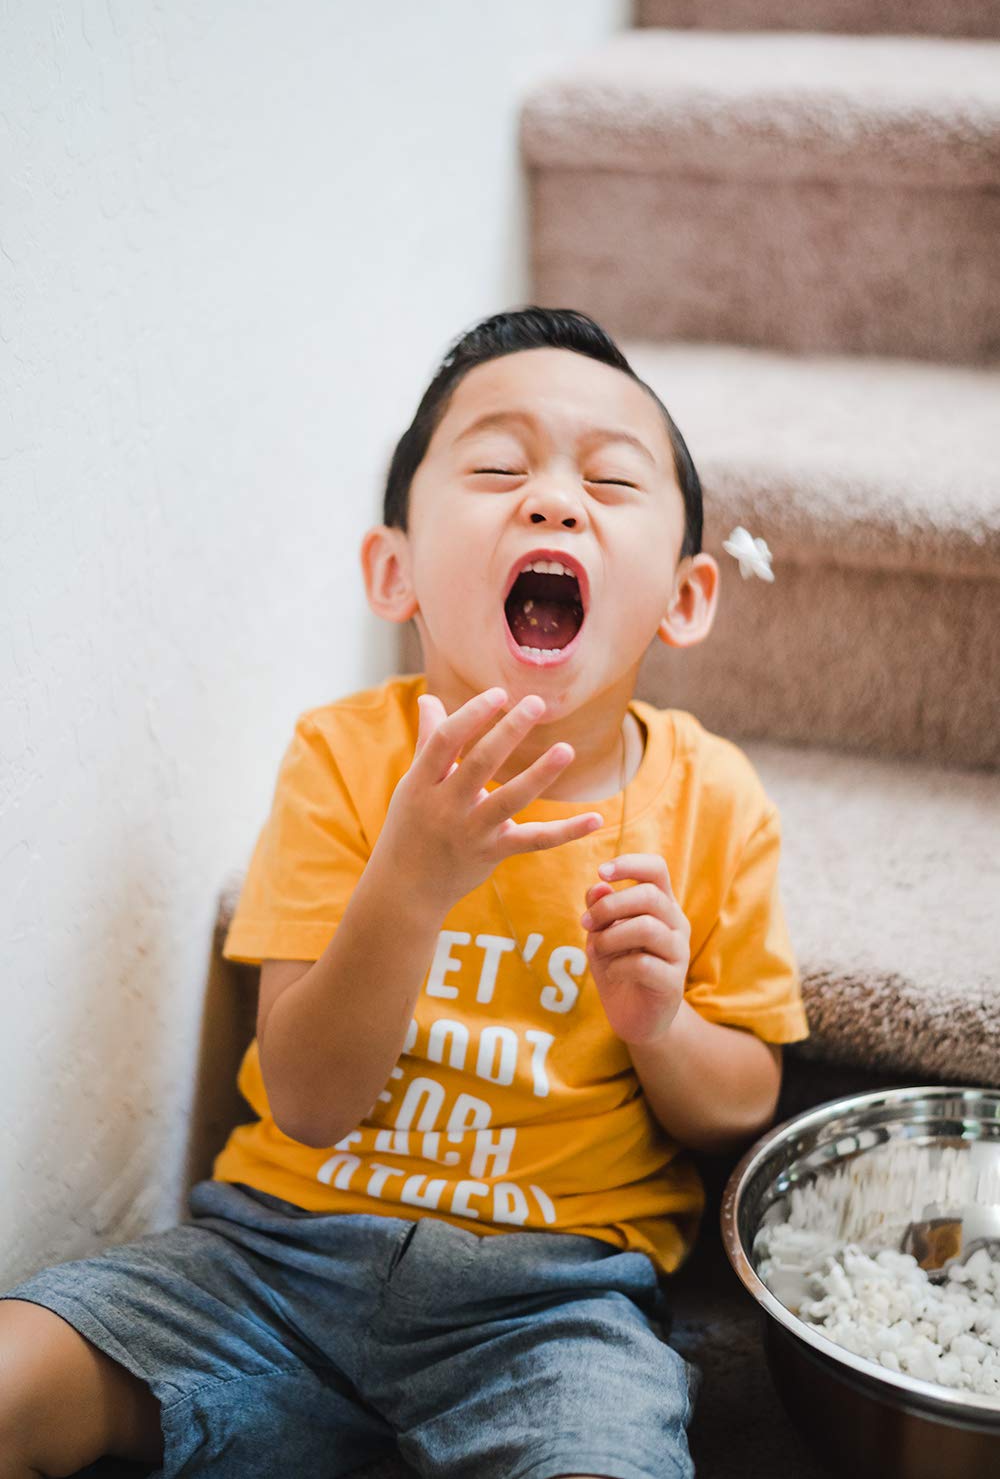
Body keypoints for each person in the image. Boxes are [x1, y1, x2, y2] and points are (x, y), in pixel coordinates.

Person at [0, 306, 809, 1479]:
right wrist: (411, 882)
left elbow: (741, 1103)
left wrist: (661, 1025)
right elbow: (308, 1099)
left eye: (611, 480)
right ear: (395, 570)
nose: (551, 499)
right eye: (496, 467)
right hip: (272, 1265)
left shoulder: (711, 798)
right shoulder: (342, 758)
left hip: (552, 1305)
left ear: (685, 596)